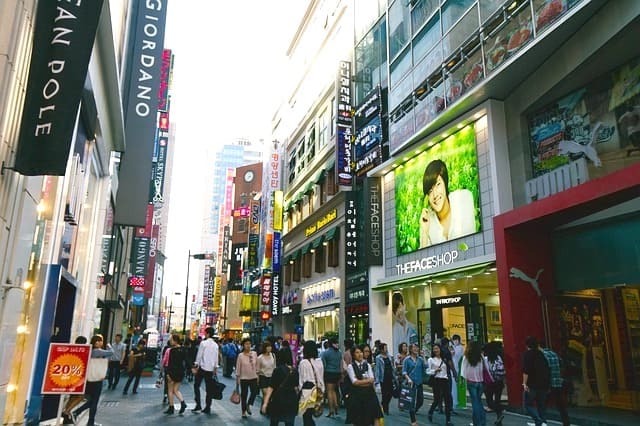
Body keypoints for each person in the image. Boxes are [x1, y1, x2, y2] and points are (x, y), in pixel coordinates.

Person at [419, 159, 476, 248]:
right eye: (430, 191)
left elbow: (469, 243)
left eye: (438, 185)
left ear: (445, 184)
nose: (435, 195)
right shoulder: (427, 220)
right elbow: (423, 260)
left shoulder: (463, 198)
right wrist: (424, 232)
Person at [71, 334, 112, 426]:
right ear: (97, 342)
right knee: (94, 402)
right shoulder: (97, 351)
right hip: (96, 379)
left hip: (89, 379)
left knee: (92, 401)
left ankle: (87, 419)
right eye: (101, 341)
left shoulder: (89, 350)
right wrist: (109, 346)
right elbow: (111, 352)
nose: (102, 342)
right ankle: (86, 419)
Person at [344, 344, 383, 426]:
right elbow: (354, 382)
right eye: (357, 352)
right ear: (353, 355)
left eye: (361, 352)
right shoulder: (351, 366)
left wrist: (361, 382)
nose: (360, 354)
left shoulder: (367, 365)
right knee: (359, 419)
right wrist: (366, 382)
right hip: (357, 396)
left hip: (369, 394)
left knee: (375, 415)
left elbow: (372, 379)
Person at [522, 336, 550, 426]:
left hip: (532, 384)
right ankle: (543, 422)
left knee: (528, 405)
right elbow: (547, 368)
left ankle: (538, 421)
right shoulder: (541, 354)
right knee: (541, 404)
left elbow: (526, 370)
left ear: (527, 345)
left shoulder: (527, 354)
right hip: (543, 383)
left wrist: (524, 383)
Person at [192, 326, 219, 414]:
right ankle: (208, 407)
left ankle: (198, 404)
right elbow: (216, 358)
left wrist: (196, 365)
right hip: (210, 369)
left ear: (207, 334)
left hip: (202, 368)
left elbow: (199, 356)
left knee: (196, 386)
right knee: (209, 389)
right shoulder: (215, 345)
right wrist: (215, 368)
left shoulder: (203, 343)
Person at [61, 336, 88, 424]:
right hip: (77, 378)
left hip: (70, 376)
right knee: (80, 396)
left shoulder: (71, 349)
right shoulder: (82, 351)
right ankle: (67, 411)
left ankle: (65, 411)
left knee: (73, 396)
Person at [461, 341, 488, 426]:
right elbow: (486, 368)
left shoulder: (466, 356)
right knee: (479, 402)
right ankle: (482, 422)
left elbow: (463, 370)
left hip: (471, 382)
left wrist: (463, 380)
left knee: (475, 403)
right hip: (480, 382)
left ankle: (477, 423)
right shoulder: (481, 356)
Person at [298, 340, 325, 426]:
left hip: (307, 392)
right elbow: (321, 376)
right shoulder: (320, 361)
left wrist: (299, 391)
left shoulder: (303, 363)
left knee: (306, 416)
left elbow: (301, 379)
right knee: (311, 414)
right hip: (318, 390)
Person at [542, 344, 570, 426]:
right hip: (558, 382)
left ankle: (541, 422)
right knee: (561, 405)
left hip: (549, 383)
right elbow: (561, 365)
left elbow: (545, 370)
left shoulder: (544, 355)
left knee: (543, 404)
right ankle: (566, 422)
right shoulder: (554, 354)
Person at [427, 343, 453, 426]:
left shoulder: (444, 359)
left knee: (447, 399)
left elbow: (448, 368)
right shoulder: (431, 359)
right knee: (437, 399)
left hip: (445, 380)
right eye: (434, 349)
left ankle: (448, 420)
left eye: (437, 348)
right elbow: (428, 371)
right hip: (436, 380)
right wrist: (435, 371)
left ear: (440, 349)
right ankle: (431, 411)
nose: (436, 350)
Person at [402, 343, 427, 426]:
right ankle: (413, 421)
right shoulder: (407, 359)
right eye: (414, 348)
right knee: (411, 402)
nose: (416, 349)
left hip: (419, 382)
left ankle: (414, 411)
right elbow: (404, 371)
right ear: (411, 349)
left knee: (421, 401)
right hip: (411, 383)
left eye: (417, 347)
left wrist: (423, 357)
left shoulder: (420, 359)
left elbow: (426, 367)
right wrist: (408, 379)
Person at [163, 334, 187, 415]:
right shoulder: (183, 349)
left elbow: (170, 364)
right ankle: (182, 403)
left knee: (170, 390)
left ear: (175, 341)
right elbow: (186, 361)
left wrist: (168, 374)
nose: (170, 341)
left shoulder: (172, 351)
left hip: (172, 372)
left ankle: (171, 407)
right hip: (180, 372)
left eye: (171, 340)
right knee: (176, 390)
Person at [483, 341, 506, 425]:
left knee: (489, 401)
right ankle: (499, 417)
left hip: (489, 383)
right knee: (497, 400)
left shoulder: (485, 359)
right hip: (499, 382)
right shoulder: (498, 357)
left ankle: (499, 414)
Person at [236, 337, 259, 418]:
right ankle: (243, 411)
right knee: (244, 395)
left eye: (249, 344)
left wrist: (258, 375)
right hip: (243, 378)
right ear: (243, 345)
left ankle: (249, 404)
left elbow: (257, 366)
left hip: (253, 377)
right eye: (246, 344)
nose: (248, 345)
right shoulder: (240, 355)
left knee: (254, 392)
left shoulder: (254, 354)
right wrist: (237, 379)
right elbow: (238, 368)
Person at [320, 337, 343, 418]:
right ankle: (336, 406)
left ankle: (331, 410)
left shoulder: (325, 353)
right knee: (335, 391)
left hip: (329, 373)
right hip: (337, 373)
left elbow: (323, 364)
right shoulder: (339, 352)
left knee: (329, 391)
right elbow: (341, 364)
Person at [374, 342, 395, 415]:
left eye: (386, 347)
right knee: (384, 393)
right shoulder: (378, 358)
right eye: (385, 348)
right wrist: (377, 380)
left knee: (391, 393)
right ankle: (386, 408)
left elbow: (392, 367)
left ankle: (384, 404)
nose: (386, 349)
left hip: (390, 377)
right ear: (381, 349)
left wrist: (394, 376)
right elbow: (377, 369)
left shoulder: (389, 356)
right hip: (383, 378)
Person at [257, 341, 277, 414]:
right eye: (268, 347)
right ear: (264, 348)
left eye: (270, 346)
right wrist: (257, 379)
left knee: (270, 394)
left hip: (271, 377)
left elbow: (274, 367)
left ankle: (264, 407)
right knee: (265, 393)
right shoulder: (260, 357)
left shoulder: (273, 355)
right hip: (263, 377)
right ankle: (266, 408)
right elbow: (258, 369)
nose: (269, 348)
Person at [450, 334, 465, 409]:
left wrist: (452, 348)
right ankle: (453, 402)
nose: (454, 341)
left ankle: (454, 402)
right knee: (452, 386)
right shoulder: (455, 347)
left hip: (455, 368)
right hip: (453, 368)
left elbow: (455, 354)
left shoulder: (460, 348)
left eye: (455, 340)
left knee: (453, 386)